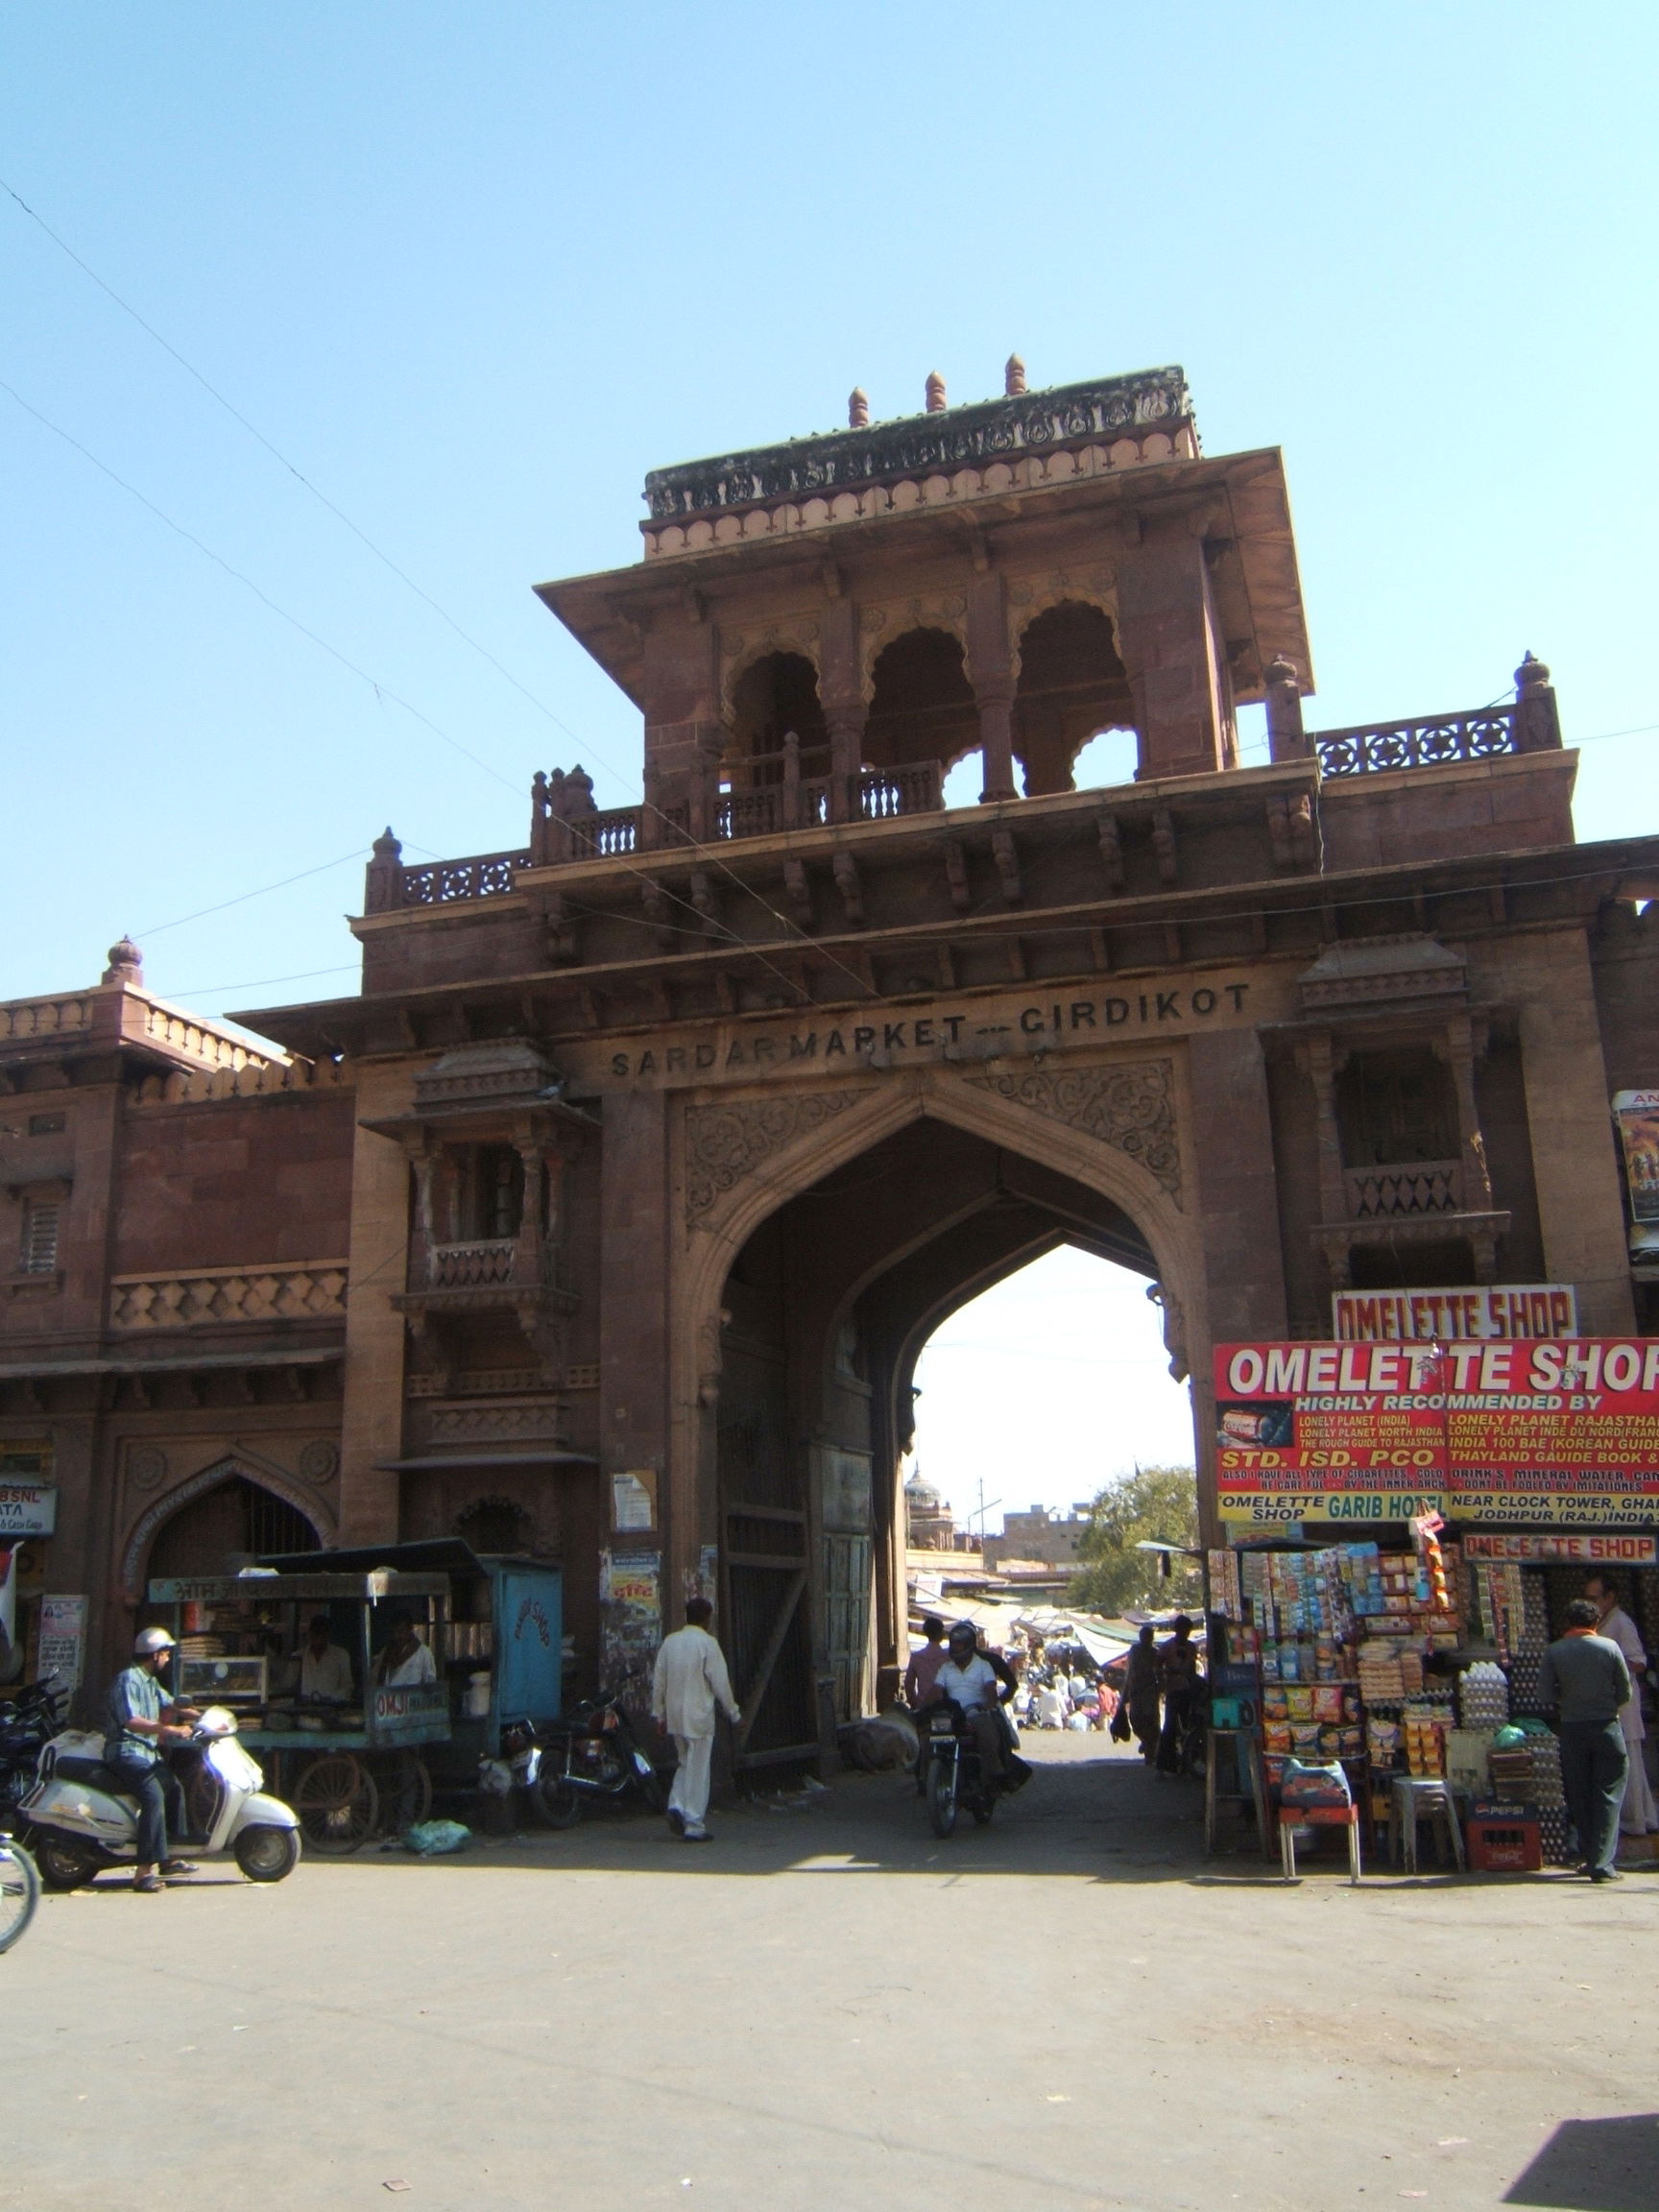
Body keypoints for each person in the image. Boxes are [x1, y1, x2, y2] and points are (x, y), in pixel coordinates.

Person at [1540, 1597, 1632, 1883]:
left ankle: (1592, 1858)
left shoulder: (1554, 1652)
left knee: (1580, 1795)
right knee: (1608, 1795)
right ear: (1595, 1622)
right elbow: (1625, 1692)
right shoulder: (1610, 1648)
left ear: (1568, 1623)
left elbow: (1545, 1695)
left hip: (1572, 1730)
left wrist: (1568, 1704)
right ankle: (1601, 1864)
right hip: (1606, 1728)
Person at [104, 1626, 201, 1893]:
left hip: (146, 1753)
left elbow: (172, 1705)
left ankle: (167, 1856)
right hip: (126, 1752)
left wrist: (202, 1717)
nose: (168, 1658)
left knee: (174, 1787)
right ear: (155, 1654)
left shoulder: (150, 1681)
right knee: (153, 1795)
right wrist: (167, 1729)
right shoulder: (128, 1679)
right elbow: (132, 1721)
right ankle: (143, 1871)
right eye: (166, 1653)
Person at [651, 1597, 740, 1842]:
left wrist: (658, 1713)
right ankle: (694, 1824)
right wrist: (733, 1712)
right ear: (706, 1618)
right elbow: (720, 1682)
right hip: (699, 1716)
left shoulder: (670, 1642)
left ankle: (676, 1805)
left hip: (675, 1716)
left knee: (684, 1763)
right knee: (699, 1770)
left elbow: (659, 1680)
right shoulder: (707, 1644)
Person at [1583, 1574, 1658, 1836]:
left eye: (1595, 1598)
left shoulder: (1621, 1623)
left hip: (1622, 1704)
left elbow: (1638, 1662)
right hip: (1606, 1704)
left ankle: (1635, 1821)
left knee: (1629, 1763)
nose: (1591, 1604)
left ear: (1610, 1597)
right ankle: (1635, 1818)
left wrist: (1609, 1668)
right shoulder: (1602, 1623)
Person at [928, 1620, 1008, 1786]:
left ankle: (992, 1773)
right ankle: (925, 1776)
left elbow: (991, 1692)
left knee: (988, 1734)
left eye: (959, 1644)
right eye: (953, 1644)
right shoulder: (945, 1668)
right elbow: (935, 1691)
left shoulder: (984, 1666)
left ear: (969, 1645)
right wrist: (924, 1708)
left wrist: (986, 1707)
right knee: (926, 1737)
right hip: (951, 1715)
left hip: (976, 1714)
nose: (955, 1647)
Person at [1156, 1616, 1201, 1775]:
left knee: (1189, 1728)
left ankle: (1187, 1763)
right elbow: (1158, 1666)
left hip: (1188, 1691)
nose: (1185, 1634)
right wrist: (1164, 1679)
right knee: (1169, 1729)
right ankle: (1162, 1767)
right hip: (1173, 1692)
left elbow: (1193, 1669)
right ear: (1176, 1630)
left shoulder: (1191, 1647)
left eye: (1187, 1631)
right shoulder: (1167, 1647)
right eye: (1182, 1631)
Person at [1122, 1624, 1162, 1762]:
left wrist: (1160, 1688)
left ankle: (1151, 1751)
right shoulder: (1134, 1650)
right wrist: (1126, 1691)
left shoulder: (1155, 1652)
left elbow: (1159, 1672)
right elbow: (1129, 1671)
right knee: (1136, 1720)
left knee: (1151, 1721)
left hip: (1150, 1691)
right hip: (1136, 1690)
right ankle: (1146, 1742)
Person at [294, 1615, 354, 1705]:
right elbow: (288, 1686)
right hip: (302, 1711)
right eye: (315, 1634)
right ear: (310, 1633)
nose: (318, 1639)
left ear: (328, 1634)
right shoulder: (297, 1657)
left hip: (330, 1710)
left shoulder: (341, 1655)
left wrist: (330, 1698)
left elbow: (347, 1687)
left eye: (322, 1634)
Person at [373, 1612, 437, 1688]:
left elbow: (430, 1684)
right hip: (389, 1697)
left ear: (410, 1630)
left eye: (400, 1631)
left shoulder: (424, 1653)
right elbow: (375, 1677)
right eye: (394, 1632)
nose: (396, 1636)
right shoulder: (386, 1651)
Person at [902, 1617, 949, 1710]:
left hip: (923, 1706)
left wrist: (914, 1703)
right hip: (945, 1706)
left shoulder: (916, 1657)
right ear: (941, 1633)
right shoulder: (948, 1657)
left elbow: (908, 1683)